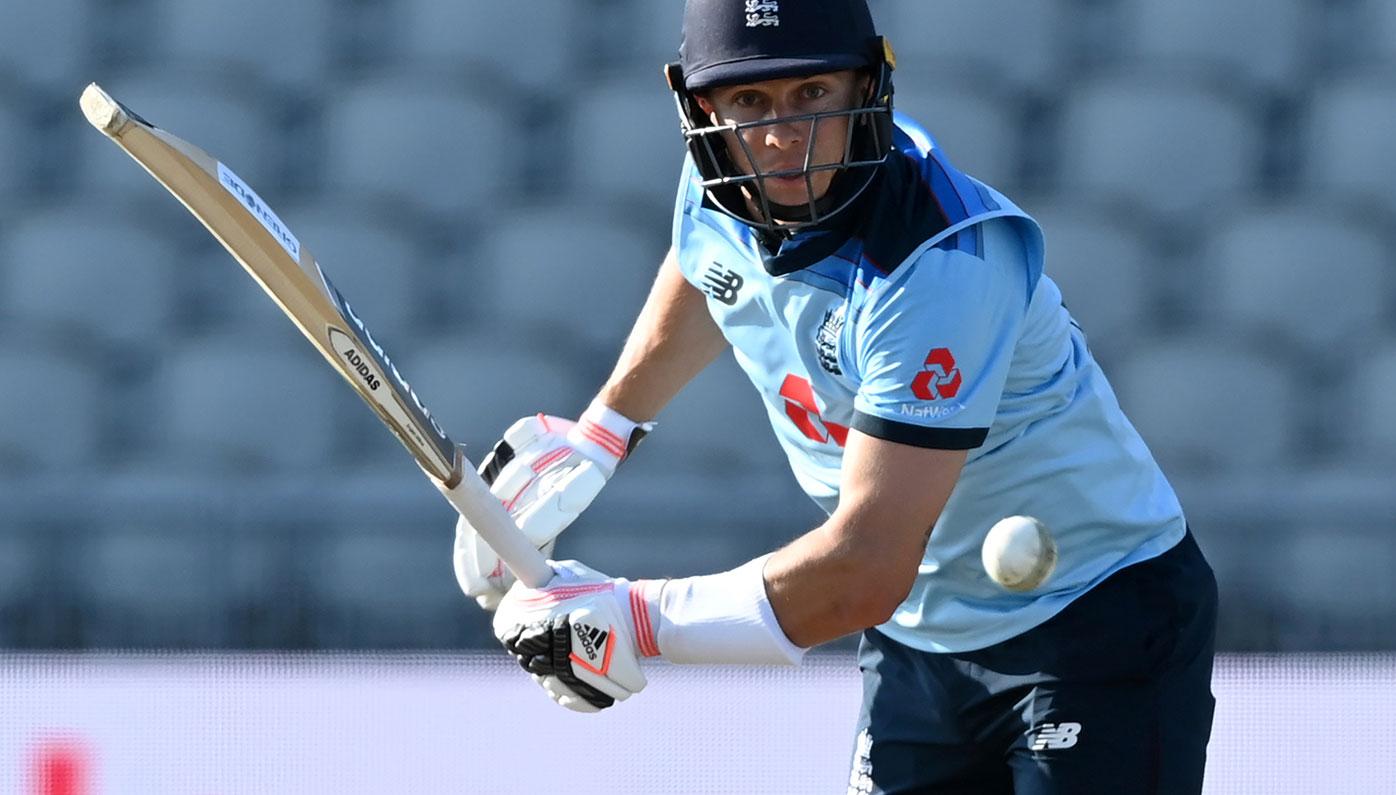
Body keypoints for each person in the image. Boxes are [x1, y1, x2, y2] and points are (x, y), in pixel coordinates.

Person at [453, 0, 1218, 791]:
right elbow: (711, 258)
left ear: (868, 86)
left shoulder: (940, 266)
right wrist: (603, 431)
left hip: (1096, 616)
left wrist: (639, 619)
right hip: (921, 634)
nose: (783, 135)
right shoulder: (725, 173)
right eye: (750, 101)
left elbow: (864, 567)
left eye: (812, 93)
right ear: (700, 105)